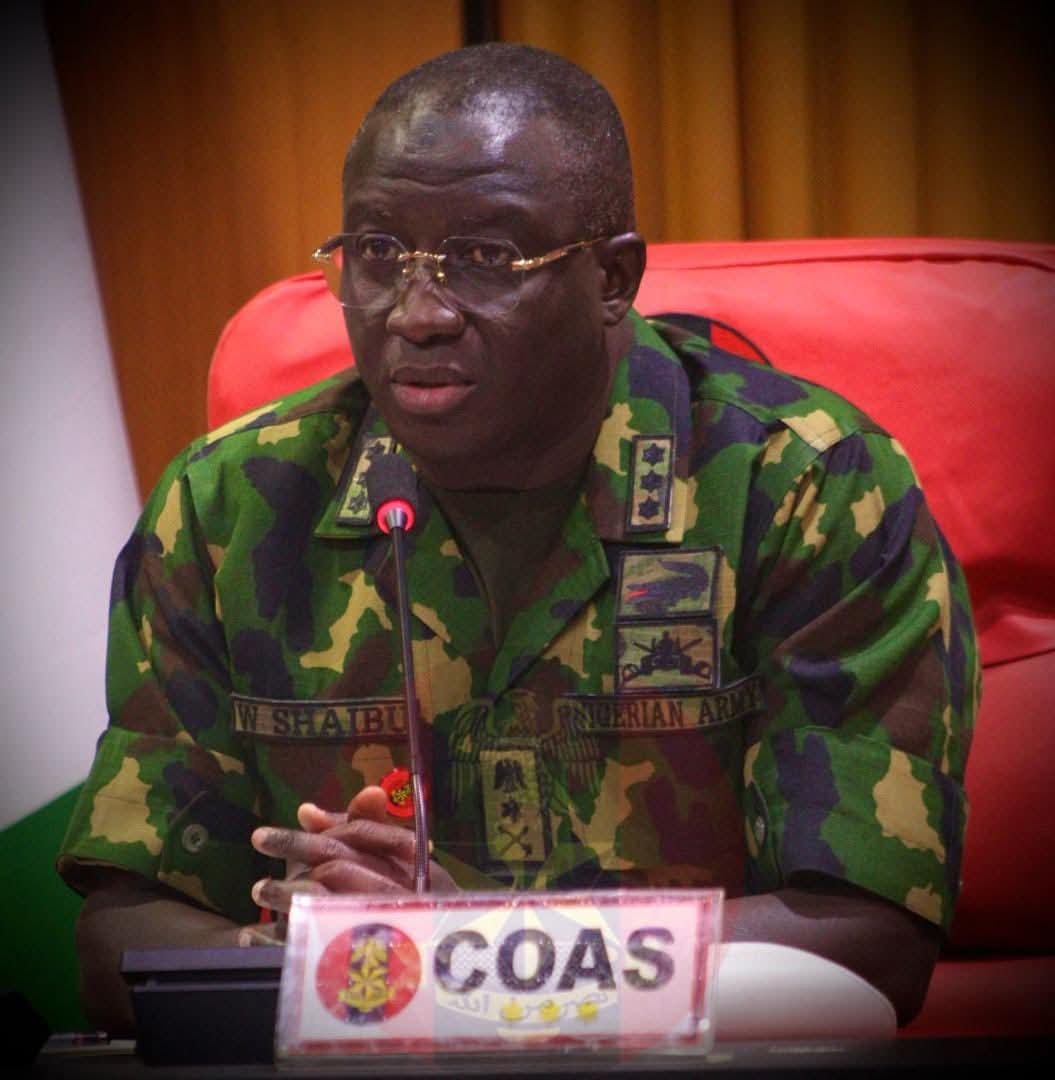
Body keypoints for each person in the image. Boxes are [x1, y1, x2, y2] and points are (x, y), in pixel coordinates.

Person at [58, 43, 977, 1036]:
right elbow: (120, 950)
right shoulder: (227, 508)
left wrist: (454, 956)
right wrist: (326, 956)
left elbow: (863, 944)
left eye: (486, 258)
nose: (416, 313)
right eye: (376, 251)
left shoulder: (801, 487)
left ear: (611, 277)